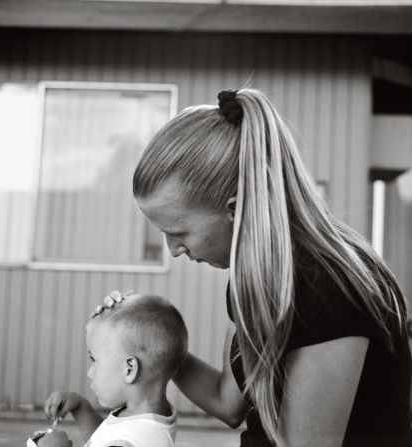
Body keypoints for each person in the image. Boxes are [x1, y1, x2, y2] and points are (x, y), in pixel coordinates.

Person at [132, 88, 412, 447]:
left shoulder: (324, 284)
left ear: (235, 208)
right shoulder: (254, 277)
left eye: (178, 231)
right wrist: (149, 342)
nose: (172, 250)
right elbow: (227, 402)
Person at [35, 291, 188, 447]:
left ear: (129, 369)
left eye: (94, 360)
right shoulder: (145, 417)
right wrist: (80, 407)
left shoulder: (135, 439)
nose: (90, 373)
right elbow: (107, 439)